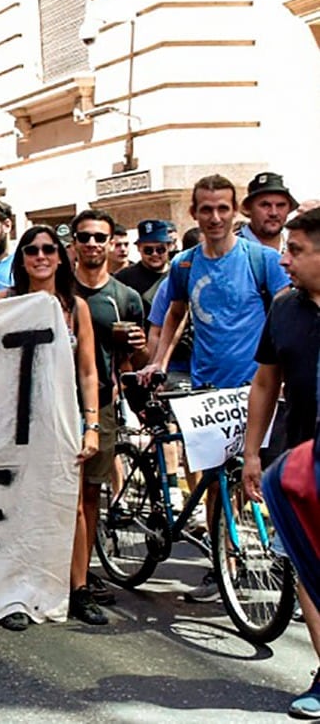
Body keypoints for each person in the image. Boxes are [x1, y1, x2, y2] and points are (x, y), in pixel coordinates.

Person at [140, 174, 289, 601]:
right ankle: (221, 565)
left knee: (267, 477)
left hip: (257, 387)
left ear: (235, 210)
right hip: (206, 388)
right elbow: (174, 314)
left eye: (223, 208)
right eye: (206, 209)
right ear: (194, 213)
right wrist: (158, 362)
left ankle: (286, 567)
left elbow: (284, 315)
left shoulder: (260, 260)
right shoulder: (185, 263)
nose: (215, 217)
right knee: (212, 481)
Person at [0, 226, 102, 628]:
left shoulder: (76, 308)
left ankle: (77, 589)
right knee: (17, 504)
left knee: (71, 505)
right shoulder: (5, 304)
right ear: (21, 259)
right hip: (16, 421)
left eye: (48, 249)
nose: (40, 256)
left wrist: (91, 425)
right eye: (31, 250)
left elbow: (89, 371)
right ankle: (16, 594)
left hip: (64, 417)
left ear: (61, 256)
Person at [244, 207, 320, 717]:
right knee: (309, 569)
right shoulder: (284, 308)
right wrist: (251, 452)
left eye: (296, 250)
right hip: (301, 466)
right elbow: (266, 382)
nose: (284, 259)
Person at [69, 209, 147, 611]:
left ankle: (80, 575)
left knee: (89, 493)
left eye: (101, 237)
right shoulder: (62, 291)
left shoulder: (125, 298)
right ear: (75, 243)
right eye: (85, 237)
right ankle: (68, 573)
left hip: (102, 403)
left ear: (112, 241)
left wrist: (136, 344)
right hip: (56, 405)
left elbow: (140, 356)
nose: (93, 244)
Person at [115, 219, 172, 316]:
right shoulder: (124, 278)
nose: (154, 254)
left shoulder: (179, 273)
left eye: (160, 249)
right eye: (148, 250)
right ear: (139, 248)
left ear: (169, 247)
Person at [239, 171, 297, 252]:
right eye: (265, 205)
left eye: (281, 205)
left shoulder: (297, 249)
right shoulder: (230, 248)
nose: (274, 213)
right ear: (248, 209)